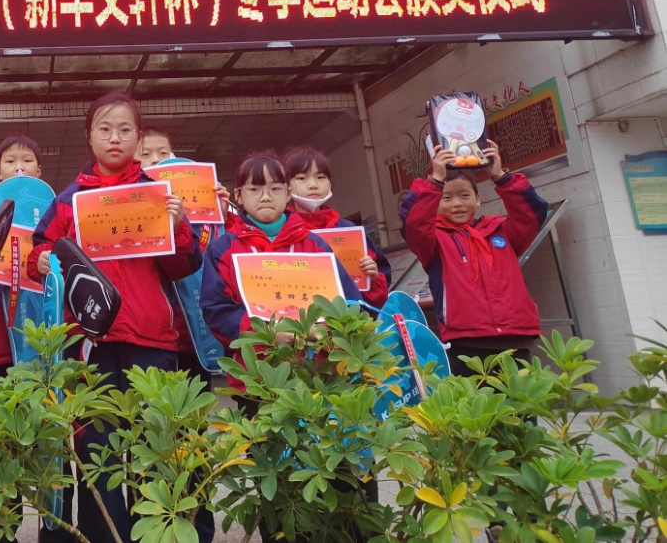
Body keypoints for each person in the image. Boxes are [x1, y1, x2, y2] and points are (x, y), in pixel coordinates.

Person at [27, 91, 207, 543]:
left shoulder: (158, 196)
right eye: (105, 129)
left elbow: (184, 266)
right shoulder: (69, 201)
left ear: (139, 137)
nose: (115, 138)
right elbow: (40, 251)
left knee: (154, 453)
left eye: (125, 129)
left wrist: (178, 226)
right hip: (91, 345)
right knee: (98, 456)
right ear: (89, 136)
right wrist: (42, 261)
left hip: (153, 342)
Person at [198, 152, 367, 543]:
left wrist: (327, 332)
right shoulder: (224, 248)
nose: (266, 196)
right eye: (255, 188)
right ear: (238, 195)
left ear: (288, 193)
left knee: (328, 472)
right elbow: (216, 310)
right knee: (277, 483)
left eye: (275, 188)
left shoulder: (314, 245)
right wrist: (265, 333)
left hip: (319, 377)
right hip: (260, 384)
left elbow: (350, 303)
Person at [399, 141, 547, 376]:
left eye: (465, 195)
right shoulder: (434, 241)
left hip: (517, 340)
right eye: (446, 198)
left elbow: (531, 215)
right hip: (466, 344)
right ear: (435, 203)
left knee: (520, 400)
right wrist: (435, 180)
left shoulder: (502, 232)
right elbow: (413, 223)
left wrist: (500, 177)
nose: (457, 203)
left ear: (478, 199)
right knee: (475, 401)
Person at [283, 146, 392, 308]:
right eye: (301, 178)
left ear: (330, 182)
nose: (313, 185)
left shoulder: (350, 230)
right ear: (286, 186)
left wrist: (372, 277)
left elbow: (373, 300)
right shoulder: (281, 231)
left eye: (321, 177)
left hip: (349, 318)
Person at [0, 134, 44, 375]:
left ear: (39, 170)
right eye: (10, 161)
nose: (19, 167)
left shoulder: (52, 209)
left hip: (42, 320)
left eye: (27, 160)